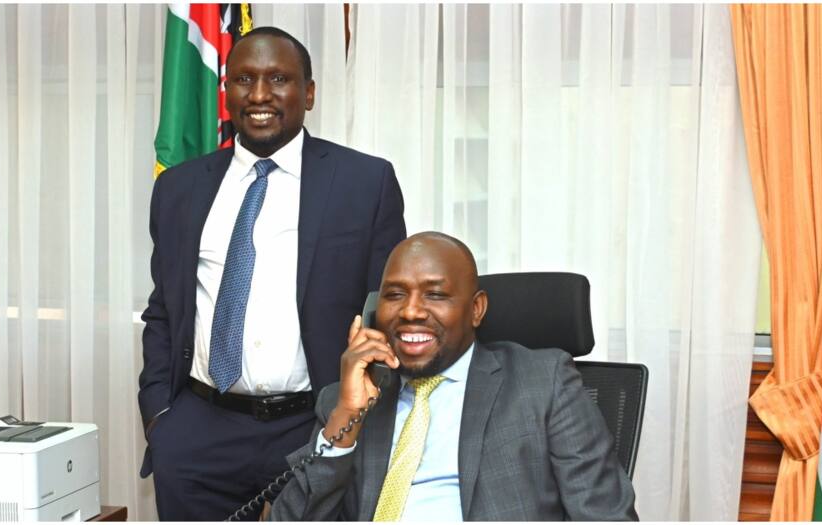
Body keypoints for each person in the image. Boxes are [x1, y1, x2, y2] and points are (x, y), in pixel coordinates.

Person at [137, 26, 406, 521]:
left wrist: (352, 420)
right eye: (243, 79)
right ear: (227, 92)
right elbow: (163, 308)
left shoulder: (365, 183)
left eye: (278, 79)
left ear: (308, 93)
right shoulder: (178, 189)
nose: (259, 95)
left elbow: (387, 312)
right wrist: (160, 415)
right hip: (199, 429)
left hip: (315, 422)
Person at [270, 232, 638, 521]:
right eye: (395, 295)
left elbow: (604, 515)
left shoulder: (543, 383)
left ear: (476, 309)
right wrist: (345, 421)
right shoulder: (345, 400)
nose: (411, 311)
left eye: (435, 295)